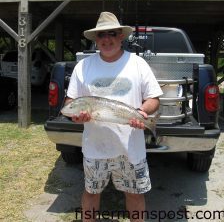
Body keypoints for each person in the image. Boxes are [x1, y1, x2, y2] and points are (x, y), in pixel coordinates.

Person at [65, 11, 163, 221]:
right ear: (96, 39)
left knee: (135, 194)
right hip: (95, 148)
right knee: (91, 193)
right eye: (101, 35)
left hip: (131, 148)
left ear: (121, 36)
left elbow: (154, 97)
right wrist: (76, 116)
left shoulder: (137, 63)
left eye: (111, 33)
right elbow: (69, 103)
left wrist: (143, 112)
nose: (106, 39)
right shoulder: (83, 66)